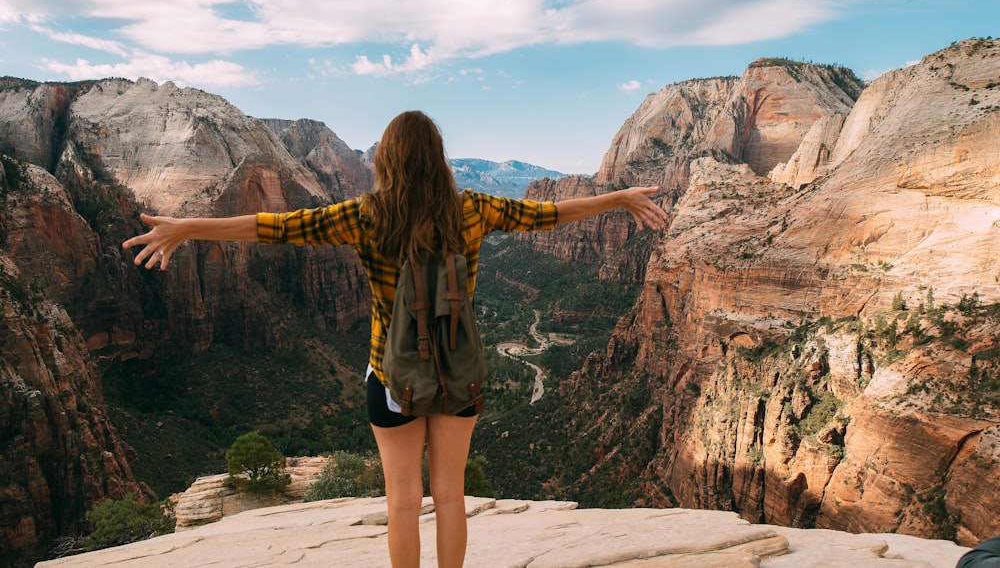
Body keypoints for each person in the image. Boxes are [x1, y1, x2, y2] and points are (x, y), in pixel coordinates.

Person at [122, 110, 669, 567]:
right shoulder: (473, 209)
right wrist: (615, 198)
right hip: (459, 375)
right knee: (451, 497)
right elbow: (548, 215)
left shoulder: (367, 216)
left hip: (391, 378)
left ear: (385, 161)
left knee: (403, 502)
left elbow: (276, 227)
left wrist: (189, 227)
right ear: (438, 158)